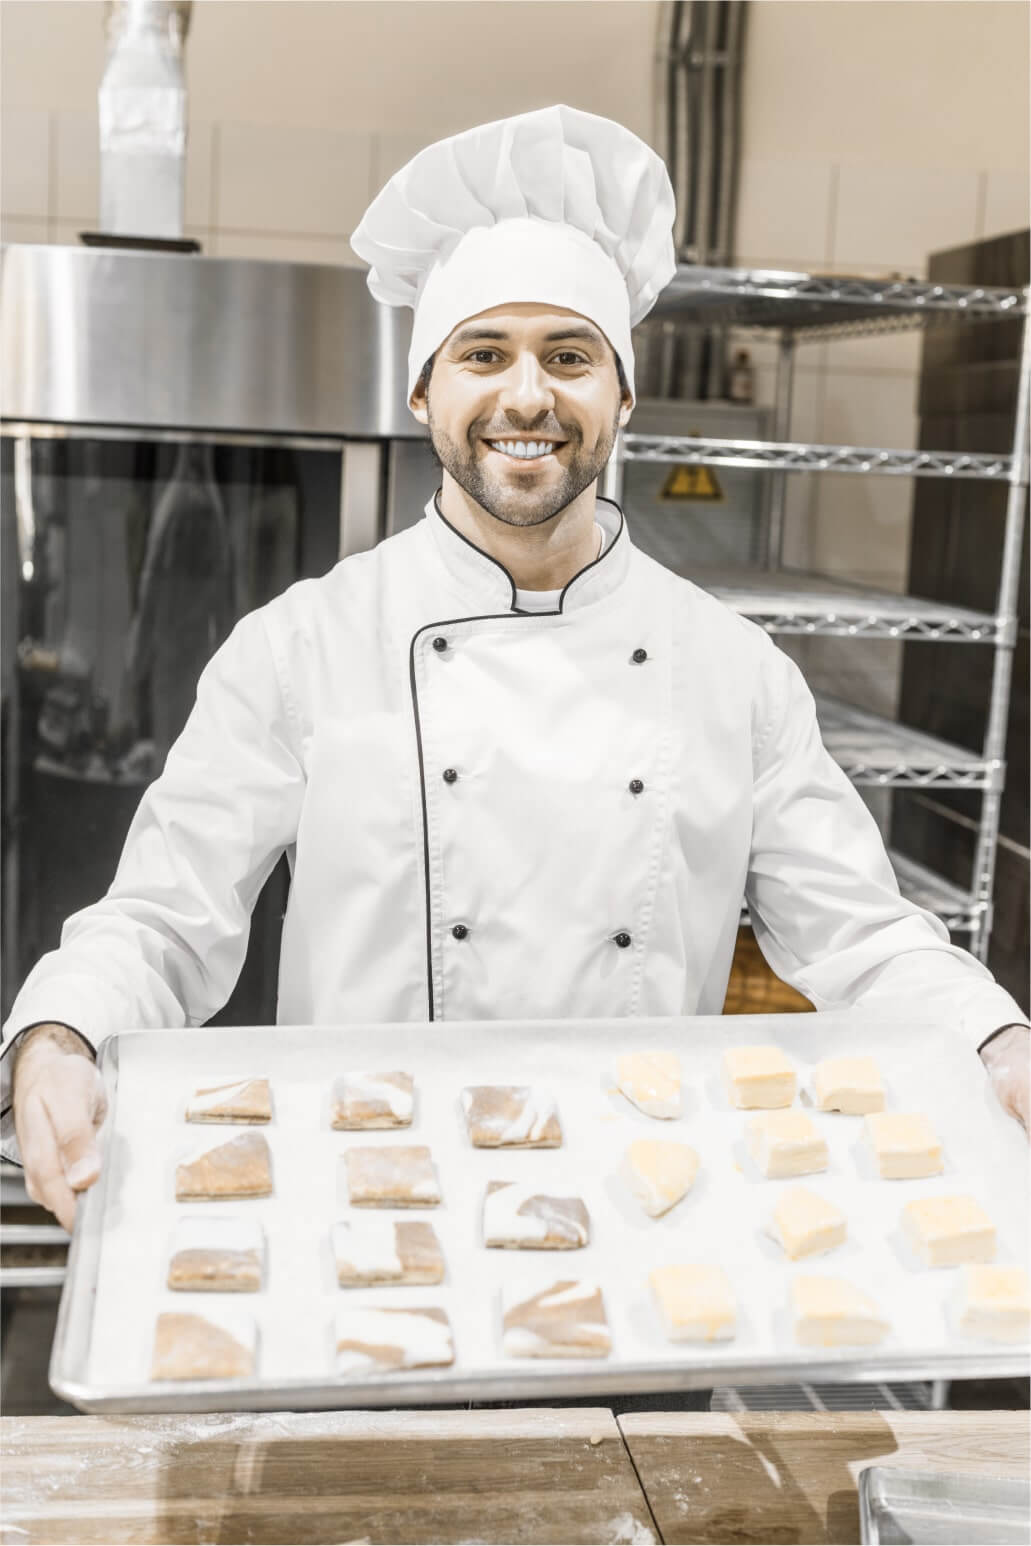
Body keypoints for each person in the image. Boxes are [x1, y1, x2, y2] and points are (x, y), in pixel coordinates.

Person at [3, 106, 1028, 1251]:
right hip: (371, 1207)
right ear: (422, 393)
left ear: (622, 398)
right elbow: (164, 914)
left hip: (638, 1211)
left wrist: (995, 1040)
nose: (527, 396)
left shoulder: (732, 672)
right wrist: (61, 1031)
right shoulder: (300, 646)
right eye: (483, 353)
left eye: (569, 356)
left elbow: (861, 934)